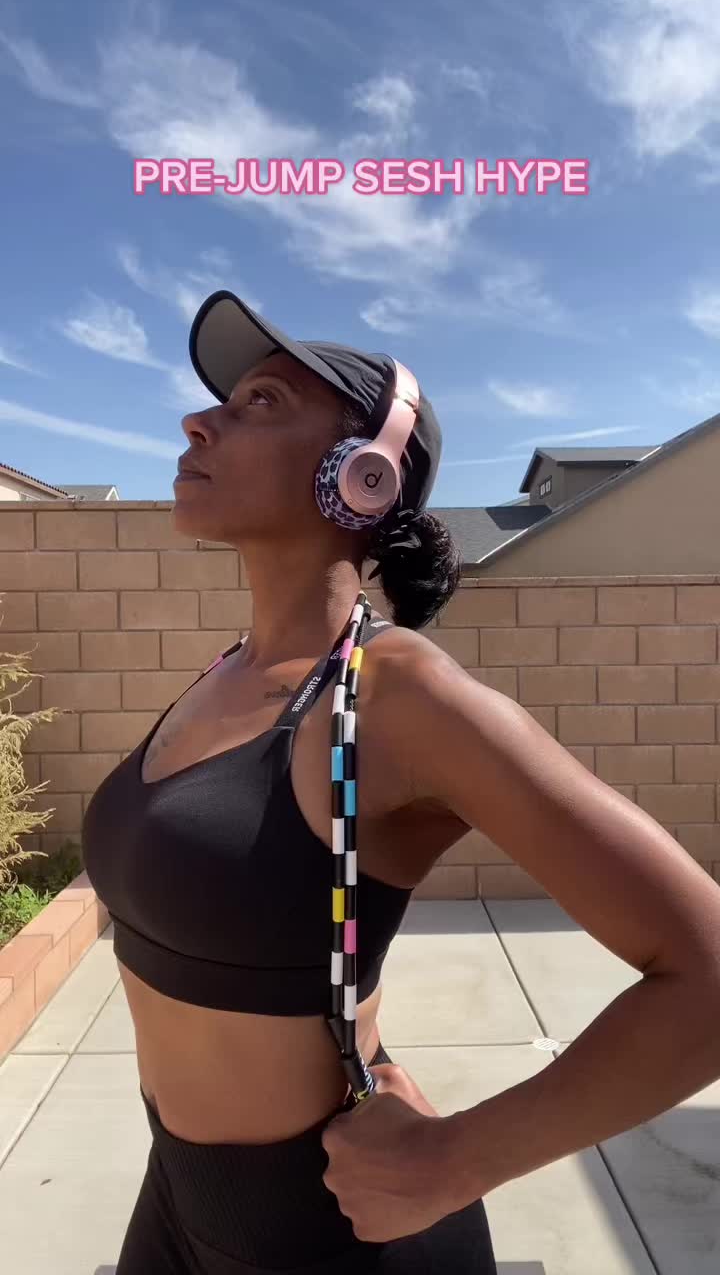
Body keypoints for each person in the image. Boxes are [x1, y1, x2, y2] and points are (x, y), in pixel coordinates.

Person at [82, 290, 720, 1274]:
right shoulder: (225, 671)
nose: (196, 421)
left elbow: (706, 971)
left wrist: (459, 1157)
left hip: (332, 1232)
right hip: (173, 1196)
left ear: (363, 474)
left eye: (259, 402)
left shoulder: (401, 696)